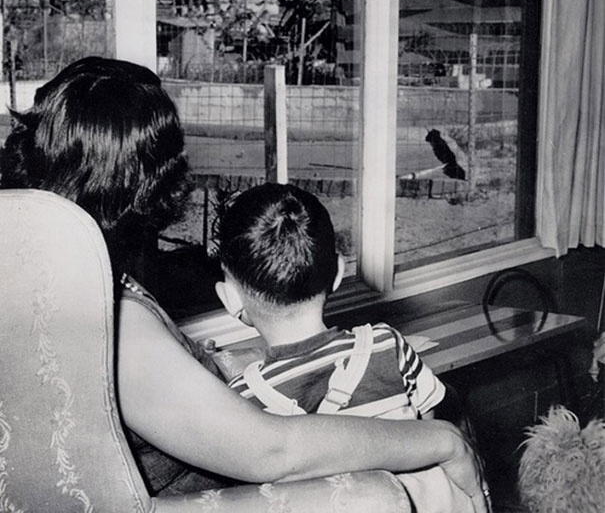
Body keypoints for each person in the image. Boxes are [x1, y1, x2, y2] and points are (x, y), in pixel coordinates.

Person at [0, 56, 489, 512]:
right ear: (151, 180)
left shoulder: (45, 267)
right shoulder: (112, 318)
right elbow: (269, 450)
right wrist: (443, 441)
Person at [216, 182, 478, 513]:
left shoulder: (242, 399)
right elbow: (433, 425)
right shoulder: (387, 345)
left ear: (230, 299)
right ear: (338, 273)